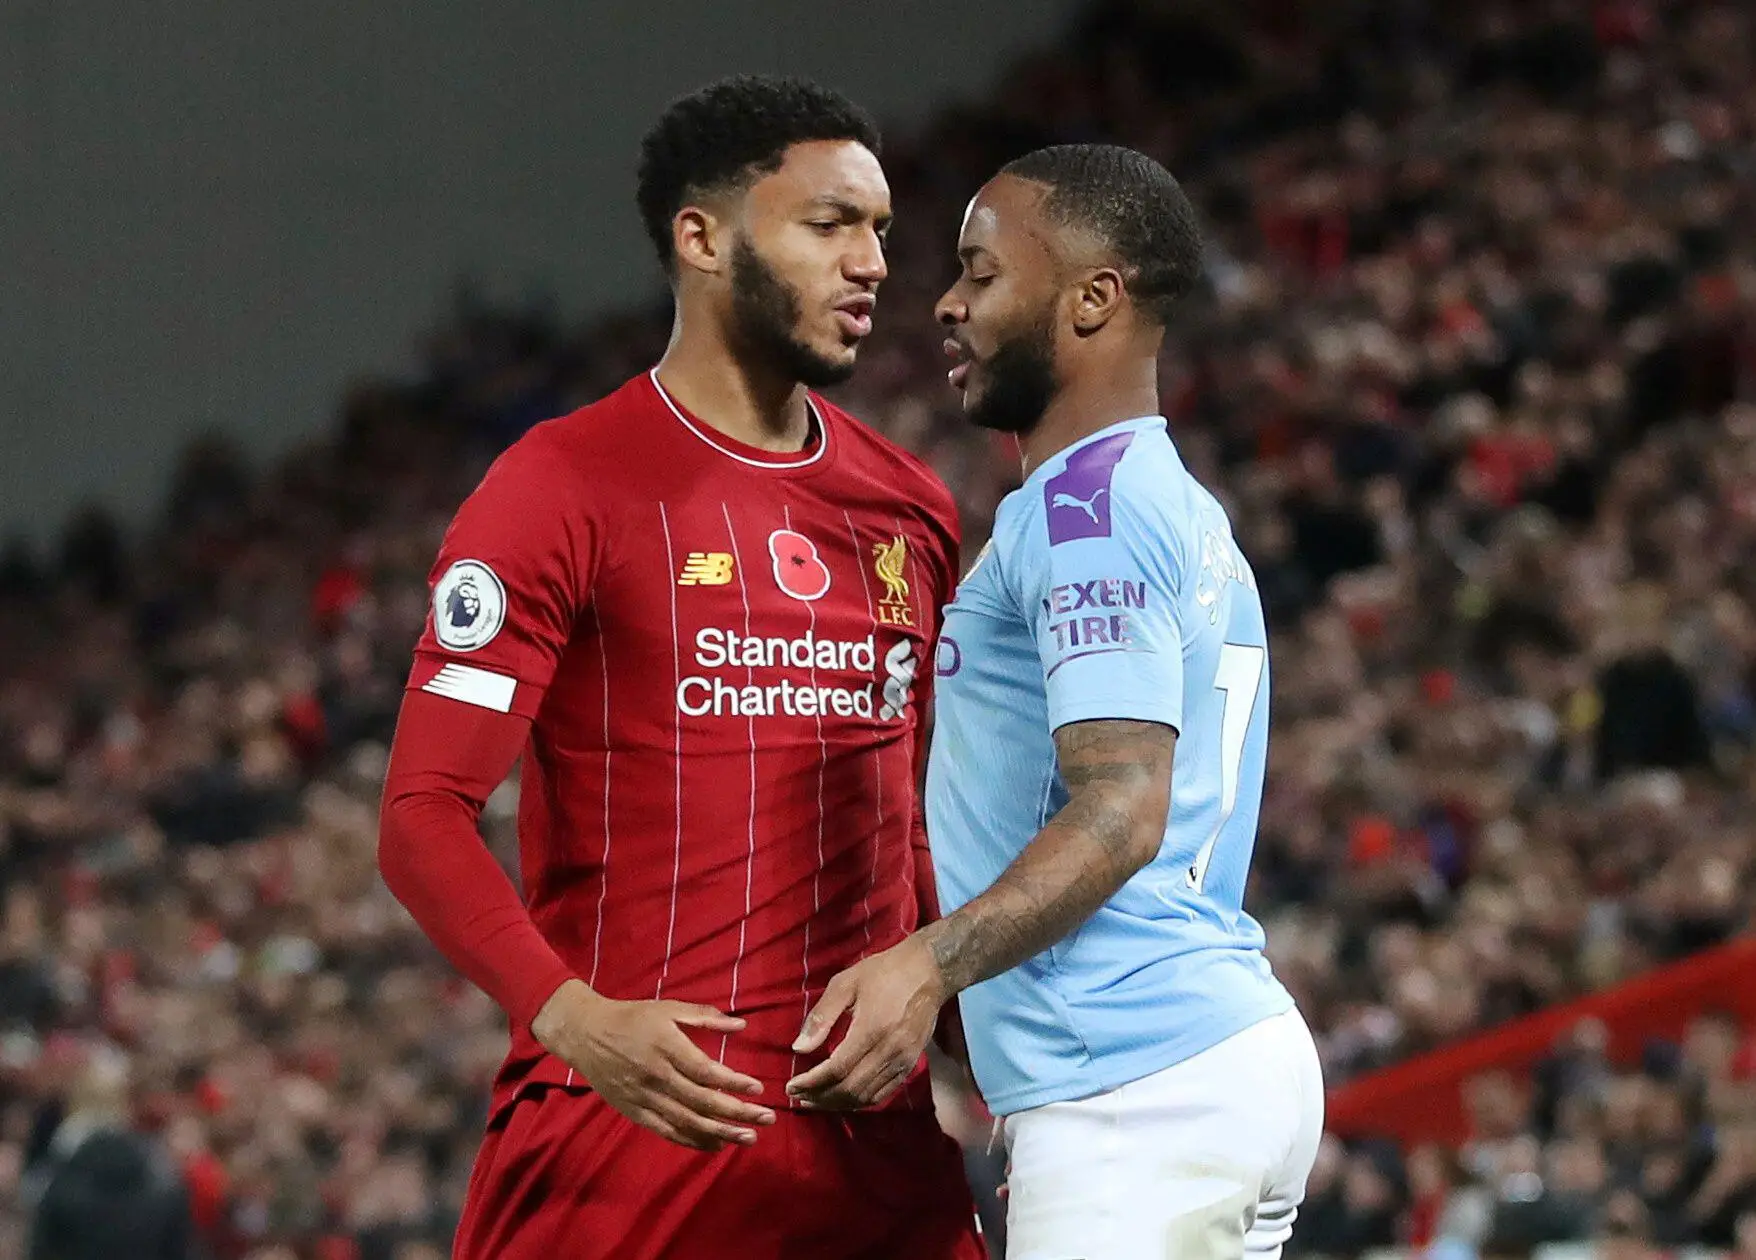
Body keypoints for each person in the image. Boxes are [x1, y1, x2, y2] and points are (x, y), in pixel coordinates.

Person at [378, 75, 981, 1260]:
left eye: (880, 232)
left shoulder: (911, 508)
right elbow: (421, 815)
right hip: (631, 1141)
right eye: (828, 225)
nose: (870, 262)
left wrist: (969, 1032)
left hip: (877, 1159)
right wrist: (570, 1017)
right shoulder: (561, 486)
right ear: (700, 238)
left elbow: (904, 822)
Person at [788, 144, 1325, 1258]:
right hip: (1195, 1065)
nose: (944, 303)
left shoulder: (1086, 516)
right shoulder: (1172, 504)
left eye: (981, 274)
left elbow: (1123, 803)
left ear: (1092, 299)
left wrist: (927, 963)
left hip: (1134, 1089)